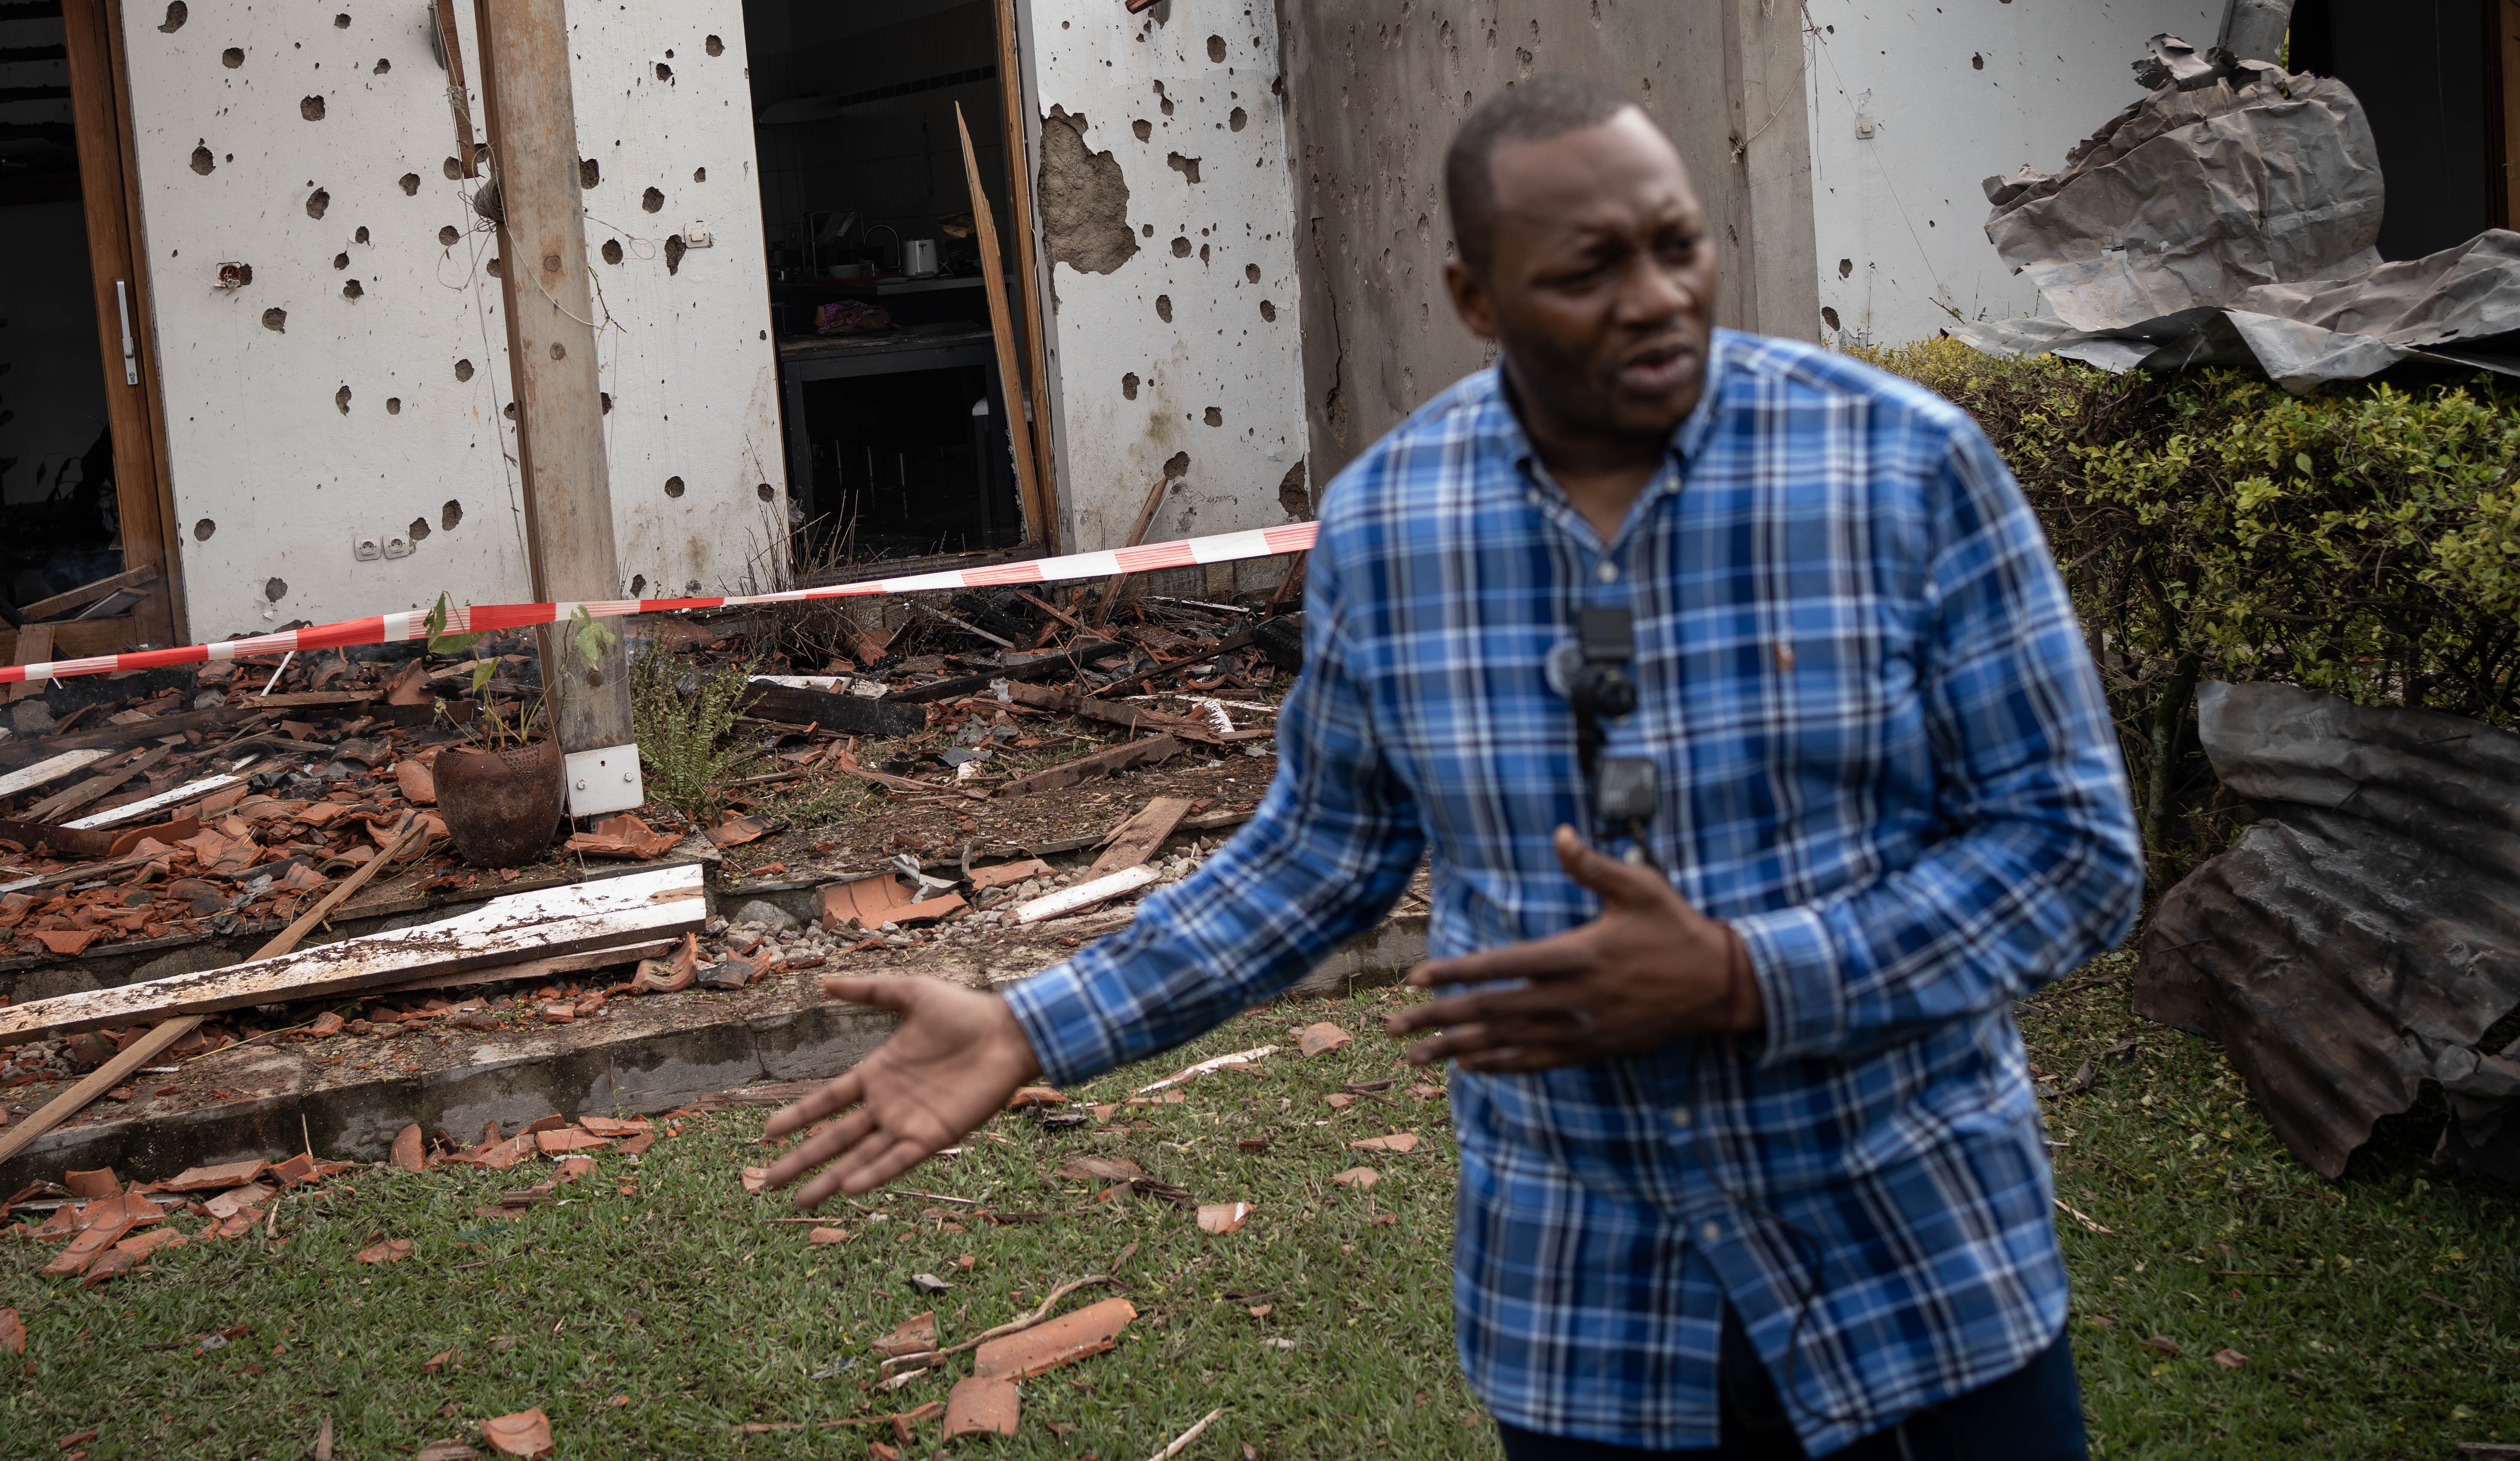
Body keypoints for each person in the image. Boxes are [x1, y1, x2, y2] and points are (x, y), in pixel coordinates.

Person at [762, 76, 2142, 1458]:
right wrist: (1034, 1026)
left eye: (1677, 244)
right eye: (1587, 272)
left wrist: (1745, 975)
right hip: (1591, 1316)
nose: (1656, 299)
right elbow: (1317, 859)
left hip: (1911, 1274)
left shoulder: (1899, 470)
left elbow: (2070, 851)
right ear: (1476, 298)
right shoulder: (1396, 522)